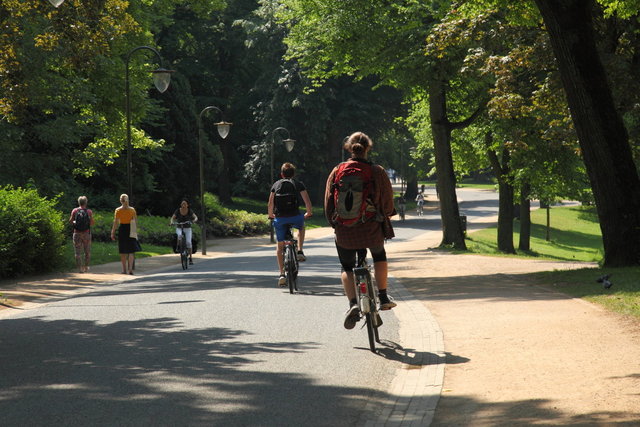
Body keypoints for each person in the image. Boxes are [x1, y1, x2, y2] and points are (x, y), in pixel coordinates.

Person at [324, 131, 397, 330]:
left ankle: (353, 304)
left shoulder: (337, 170)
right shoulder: (377, 171)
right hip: (371, 227)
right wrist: (388, 213)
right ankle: (382, 296)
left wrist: (335, 223)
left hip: (345, 230)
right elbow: (387, 201)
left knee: (346, 267)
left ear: (349, 148)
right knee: (379, 255)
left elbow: (329, 202)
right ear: (368, 148)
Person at [268, 162, 313, 287]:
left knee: (280, 247)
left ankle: (282, 273)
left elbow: (270, 203)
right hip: (295, 216)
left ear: (281, 174)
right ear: (294, 174)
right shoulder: (298, 184)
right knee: (301, 227)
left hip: (280, 218)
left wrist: (271, 215)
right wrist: (308, 212)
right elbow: (307, 201)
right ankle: (299, 250)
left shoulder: (276, 184)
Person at [110, 193, 139, 275]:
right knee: (131, 250)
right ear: (128, 200)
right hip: (130, 229)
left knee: (123, 250)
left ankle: (124, 269)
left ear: (120, 201)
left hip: (122, 229)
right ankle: (130, 269)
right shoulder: (132, 210)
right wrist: (135, 231)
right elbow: (135, 221)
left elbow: (115, 222)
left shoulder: (118, 210)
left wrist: (113, 232)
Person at [68, 195, 95, 273]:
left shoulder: (74, 211)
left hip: (77, 233)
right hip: (86, 233)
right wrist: (86, 224)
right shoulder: (89, 211)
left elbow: (71, 221)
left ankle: (80, 268)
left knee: (77, 252)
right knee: (87, 251)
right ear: (86, 202)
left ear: (79, 202)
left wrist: (75, 222)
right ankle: (86, 267)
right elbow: (92, 223)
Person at [170, 199, 198, 265]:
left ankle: (190, 258)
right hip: (179, 227)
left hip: (187, 228)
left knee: (188, 242)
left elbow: (195, 217)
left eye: (185, 204)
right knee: (179, 236)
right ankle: (179, 247)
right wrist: (171, 222)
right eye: (182, 204)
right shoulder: (178, 211)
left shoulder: (189, 211)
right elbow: (172, 218)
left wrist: (194, 221)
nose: (183, 205)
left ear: (187, 205)